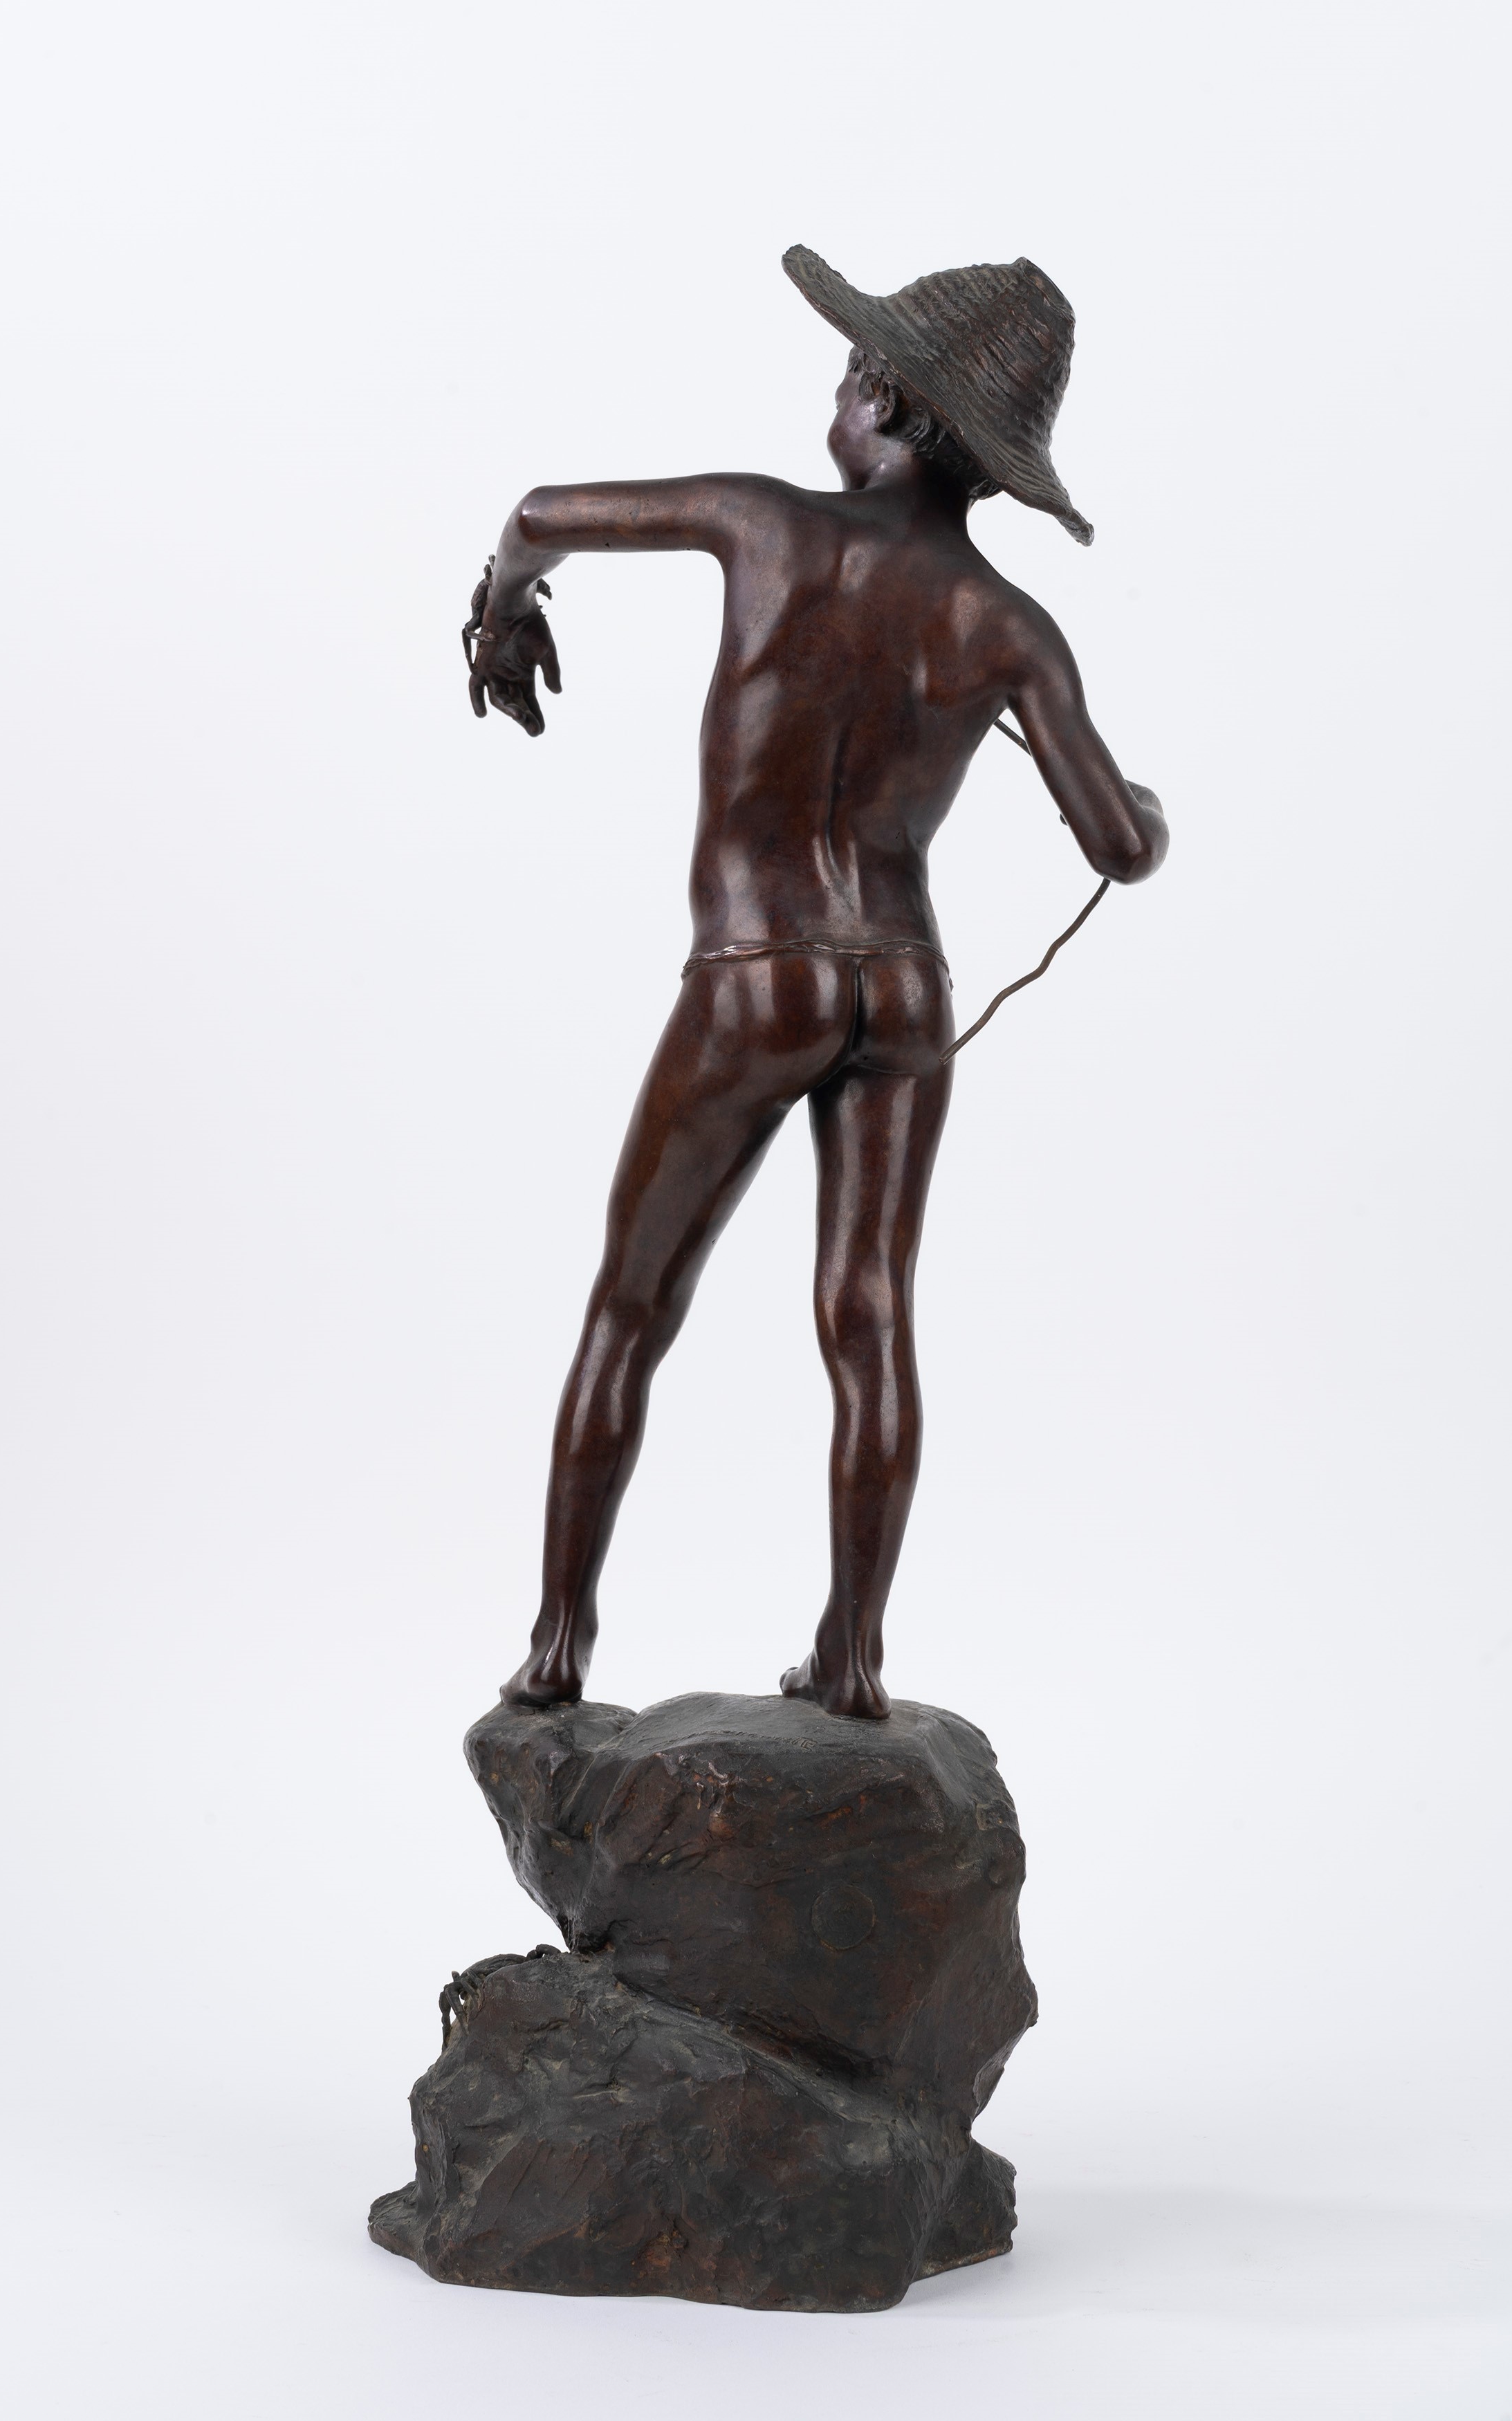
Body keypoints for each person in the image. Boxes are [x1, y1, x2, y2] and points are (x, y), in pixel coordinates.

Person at [463, 246, 1168, 1720]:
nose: (835, 396)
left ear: (893, 406)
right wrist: (1145, 812)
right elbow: (1120, 847)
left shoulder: (760, 522)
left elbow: (535, 515)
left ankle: (557, 1648)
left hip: (756, 971)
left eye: (852, 375)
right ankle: (852, 1658)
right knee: (870, 1319)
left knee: (631, 1306)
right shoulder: (1009, 628)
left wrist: (502, 609)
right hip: (903, 988)